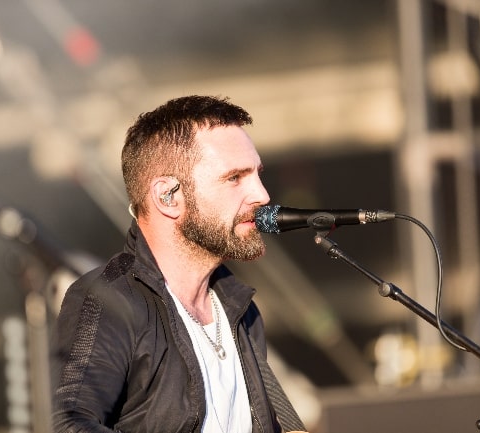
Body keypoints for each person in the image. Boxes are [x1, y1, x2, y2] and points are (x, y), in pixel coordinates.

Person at [51, 95, 307, 432]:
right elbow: (68, 423)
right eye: (234, 178)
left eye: (257, 174)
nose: (261, 195)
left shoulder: (240, 309)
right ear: (167, 196)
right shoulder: (109, 301)